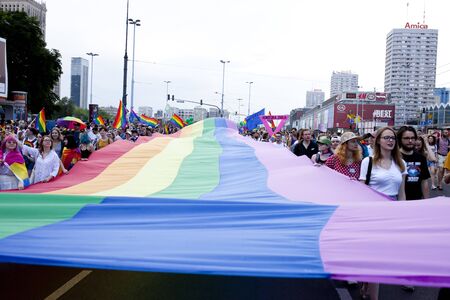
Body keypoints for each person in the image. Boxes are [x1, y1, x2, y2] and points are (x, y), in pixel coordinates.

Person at [359, 127, 407, 300]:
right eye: (386, 137)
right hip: (372, 213)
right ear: (378, 140)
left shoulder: (400, 163)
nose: (391, 141)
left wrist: (404, 214)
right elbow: (361, 190)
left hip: (392, 212)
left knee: (385, 254)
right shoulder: (368, 161)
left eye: (393, 138)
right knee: (375, 257)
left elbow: (402, 193)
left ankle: (366, 282)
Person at [397, 126, 430, 200]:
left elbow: (424, 181)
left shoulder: (421, 158)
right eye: (406, 138)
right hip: (397, 200)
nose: (410, 141)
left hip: (416, 200)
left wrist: (427, 201)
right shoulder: (394, 157)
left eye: (413, 138)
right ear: (400, 139)